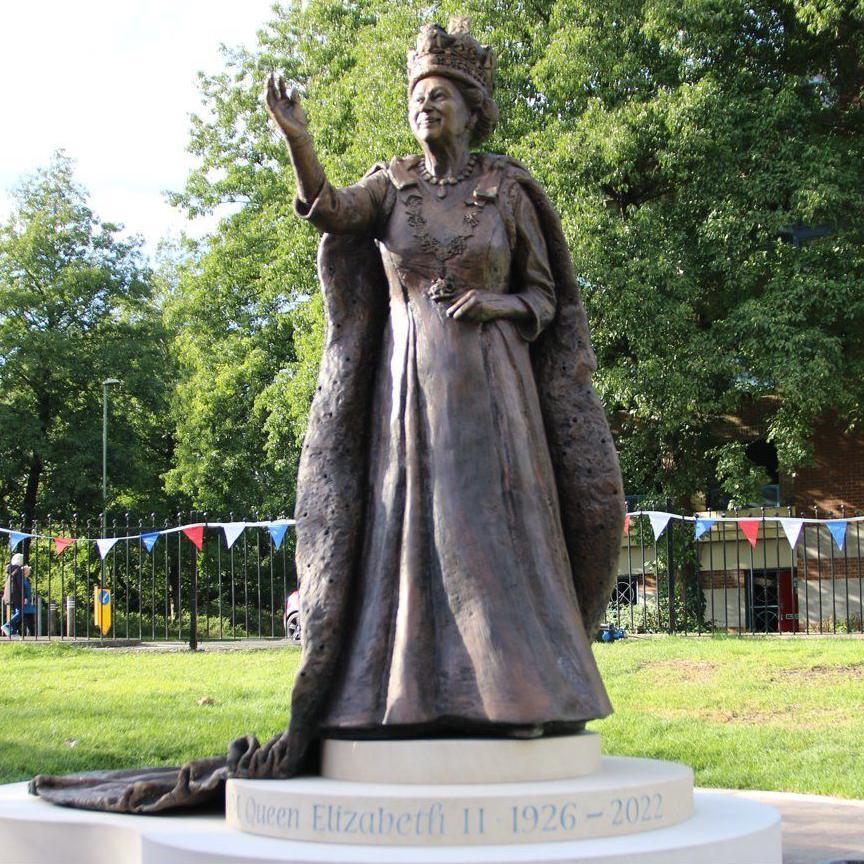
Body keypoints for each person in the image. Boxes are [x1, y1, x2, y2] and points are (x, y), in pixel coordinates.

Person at [31, 19, 624, 813]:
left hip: (497, 394)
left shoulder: (508, 193)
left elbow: (548, 300)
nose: (426, 111)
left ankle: (520, 695)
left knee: (494, 533)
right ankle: (400, 695)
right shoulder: (393, 186)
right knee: (408, 534)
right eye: (418, 99)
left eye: (440, 98)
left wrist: (498, 302)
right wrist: (297, 139)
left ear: (473, 108)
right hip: (407, 397)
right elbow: (329, 209)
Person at [2, 554, 26, 637]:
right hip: (15, 595)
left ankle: (13, 632)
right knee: (20, 613)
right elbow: (20, 585)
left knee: (14, 613)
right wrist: (24, 596)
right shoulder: (18, 570)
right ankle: (7, 625)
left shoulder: (10, 570)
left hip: (8, 595)